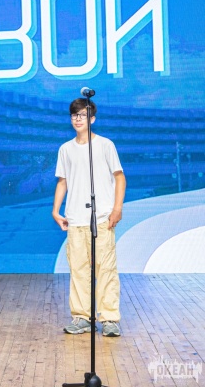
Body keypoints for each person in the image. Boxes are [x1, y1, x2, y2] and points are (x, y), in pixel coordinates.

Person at [52, 98, 126, 337]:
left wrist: (117, 208)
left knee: (105, 269)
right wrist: (56, 210)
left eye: (82, 115)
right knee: (79, 270)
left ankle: (110, 318)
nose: (77, 119)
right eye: (74, 115)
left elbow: (119, 177)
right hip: (75, 219)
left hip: (101, 217)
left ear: (92, 119)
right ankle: (82, 317)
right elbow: (62, 181)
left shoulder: (105, 145)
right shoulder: (65, 149)